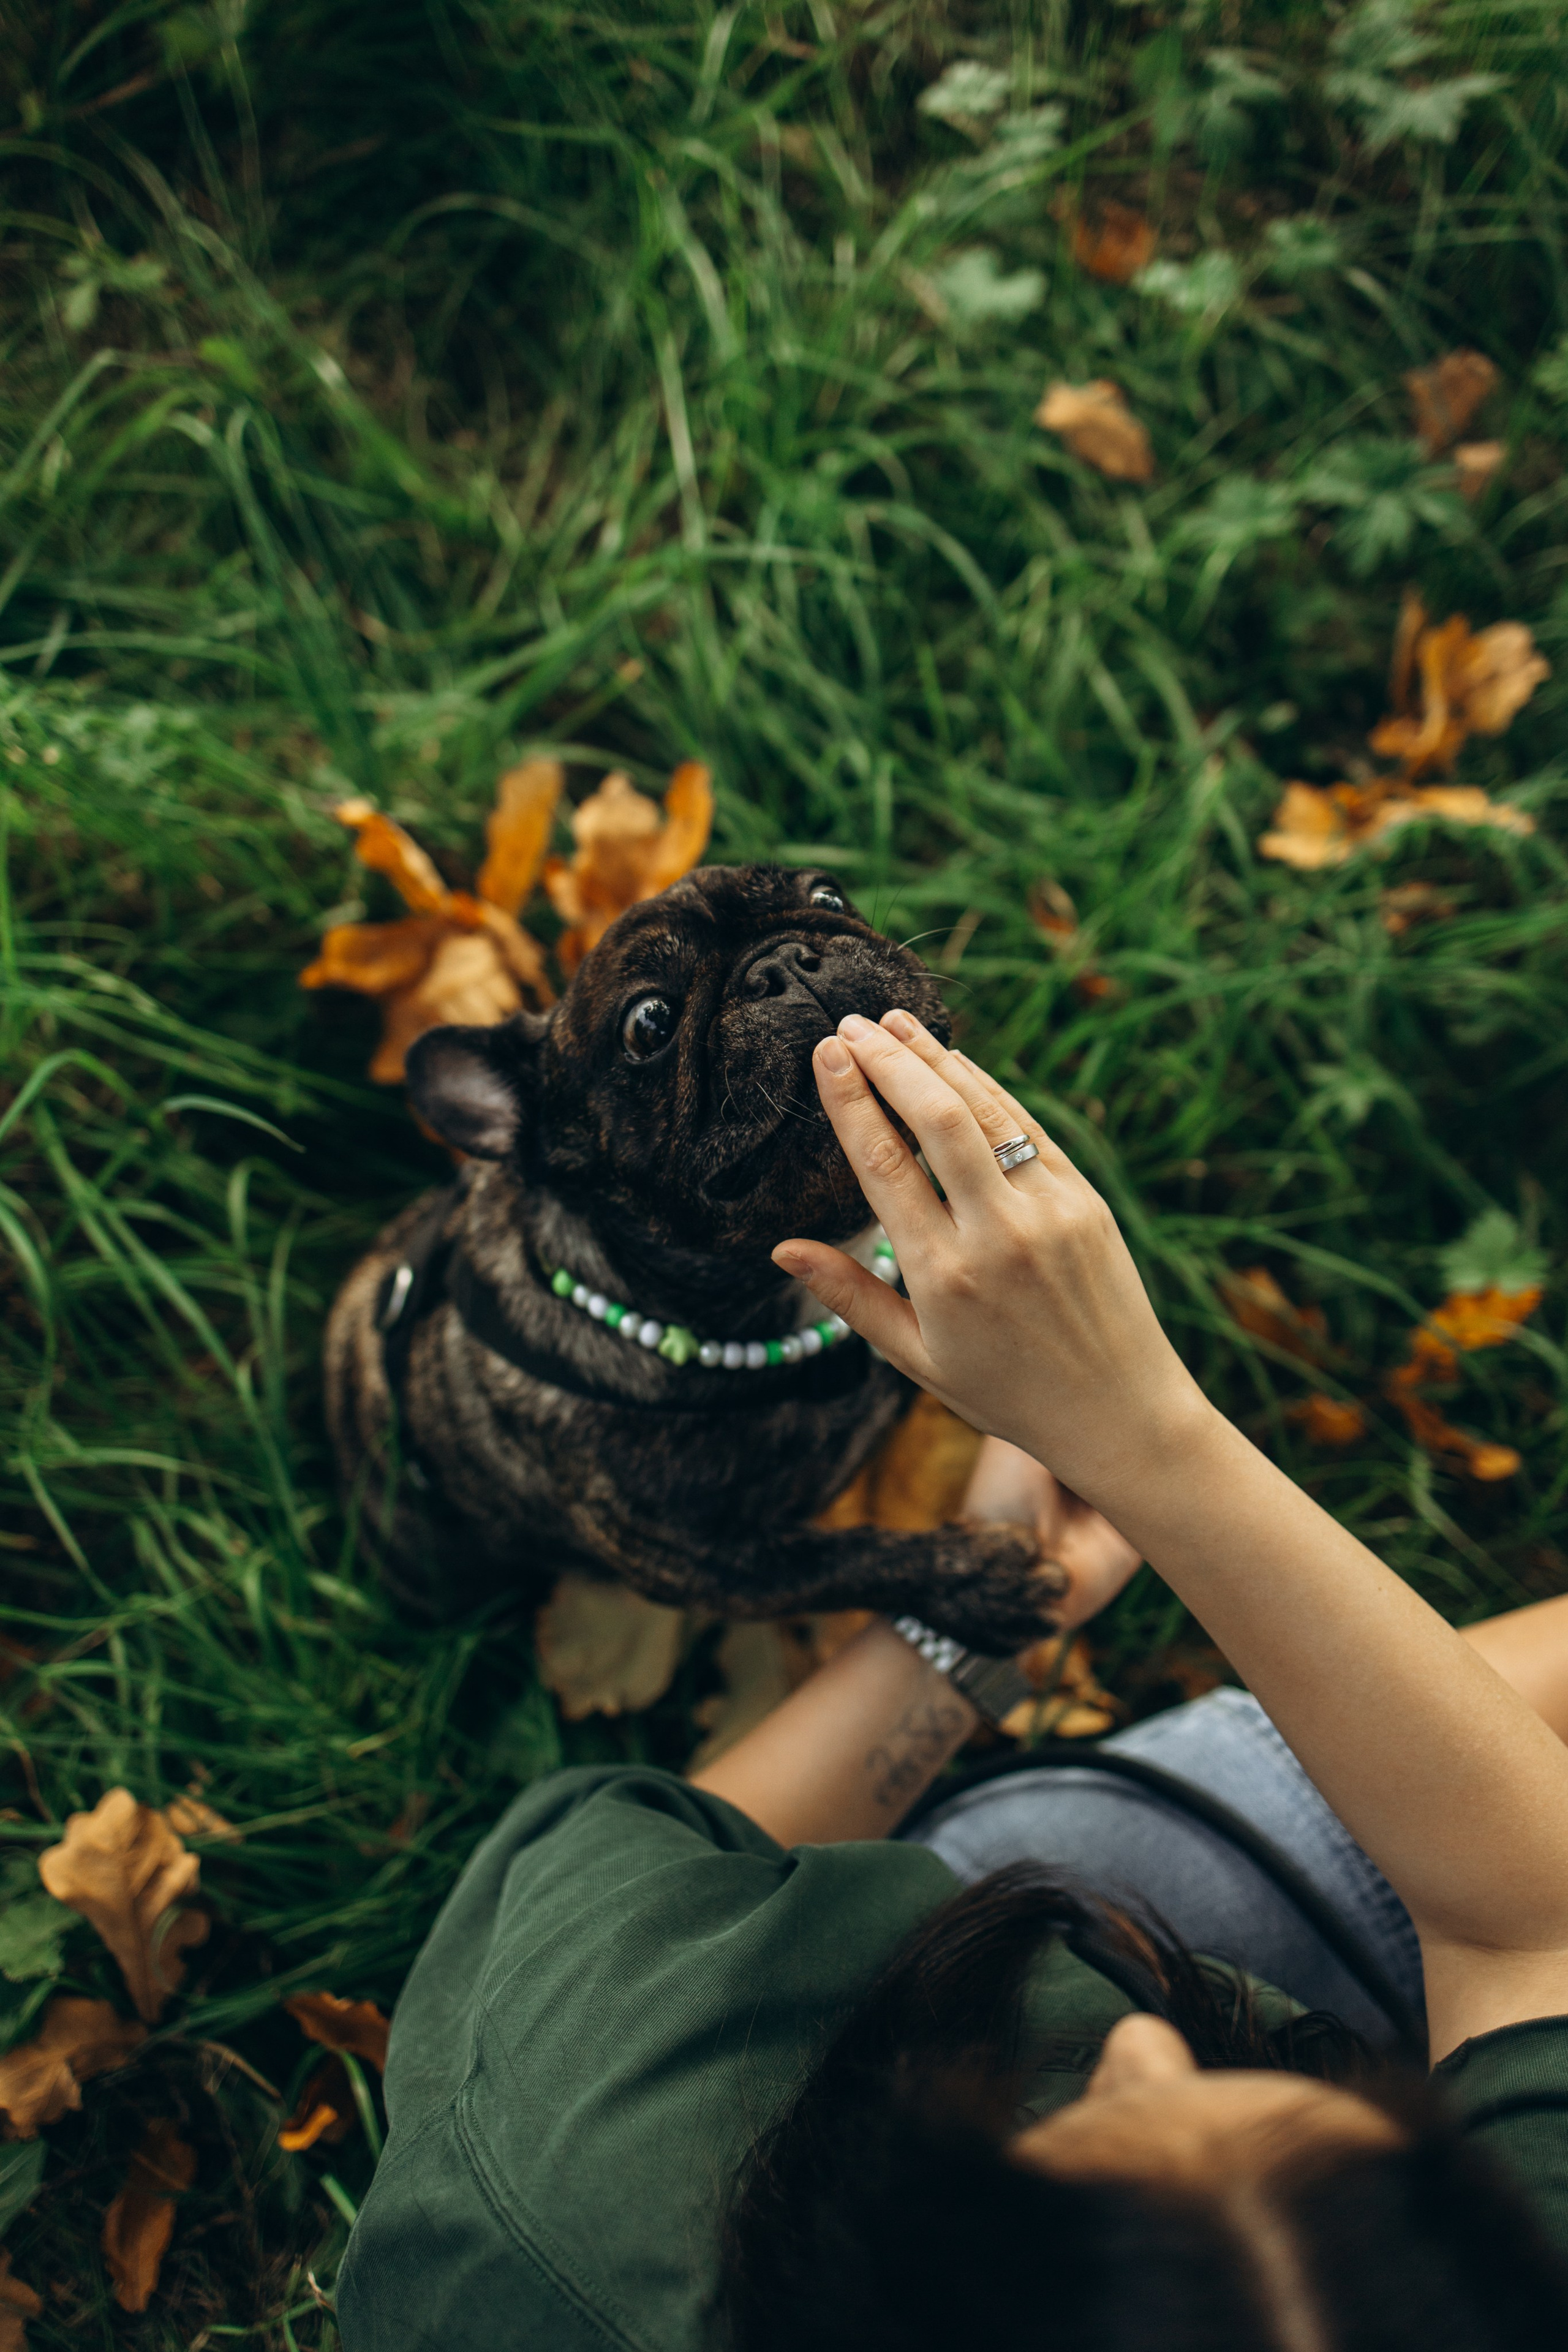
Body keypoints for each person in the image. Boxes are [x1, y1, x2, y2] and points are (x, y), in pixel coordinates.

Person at [336, 1010, 1568, 2352]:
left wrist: (977, 1630)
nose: (1151, 2050)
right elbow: (1526, 1929)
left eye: (1088, 2124)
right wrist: (1137, 1433)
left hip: (910, 2007)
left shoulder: (581, 2161)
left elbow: (692, 1866)